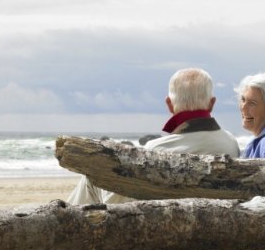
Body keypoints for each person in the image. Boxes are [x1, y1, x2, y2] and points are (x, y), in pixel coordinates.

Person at [66, 68, 240, 205]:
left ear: (169, 105)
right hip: (211, 223)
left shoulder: (155, 150)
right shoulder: (230, 145)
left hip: (160, 230)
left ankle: (66, 224)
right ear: (212, 104)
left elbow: (122, 203)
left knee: (93, 176)